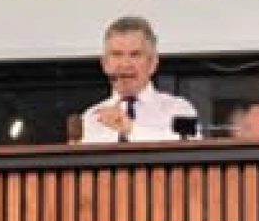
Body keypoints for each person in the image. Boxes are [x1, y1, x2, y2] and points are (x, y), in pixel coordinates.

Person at [67, 15, 198, 144]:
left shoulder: (178, 109)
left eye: (135, 55)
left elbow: (193, 149)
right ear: (105, 64)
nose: (125, 64)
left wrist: (130, 129)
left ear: (152, 63)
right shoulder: (91, 118)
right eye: (117, 55)